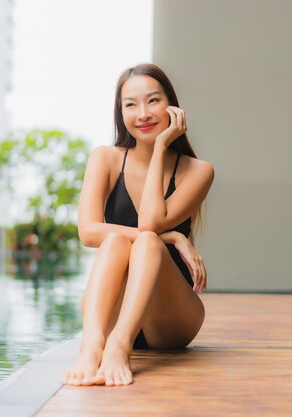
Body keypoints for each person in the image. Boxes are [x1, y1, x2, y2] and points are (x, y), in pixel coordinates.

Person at [61, 63, 214, 386]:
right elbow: (88, 232)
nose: (142, 113)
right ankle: (93, 345)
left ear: (172, 106)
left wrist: (160, 147)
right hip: (112, 312)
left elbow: (149, 222)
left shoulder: (198, 171)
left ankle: (120, 346)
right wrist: (173, 237)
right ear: (120, 113)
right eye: (130, 104)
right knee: (116, 241)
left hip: (171, 318)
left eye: (153, 101)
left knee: (146, 240)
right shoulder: (105, 158)